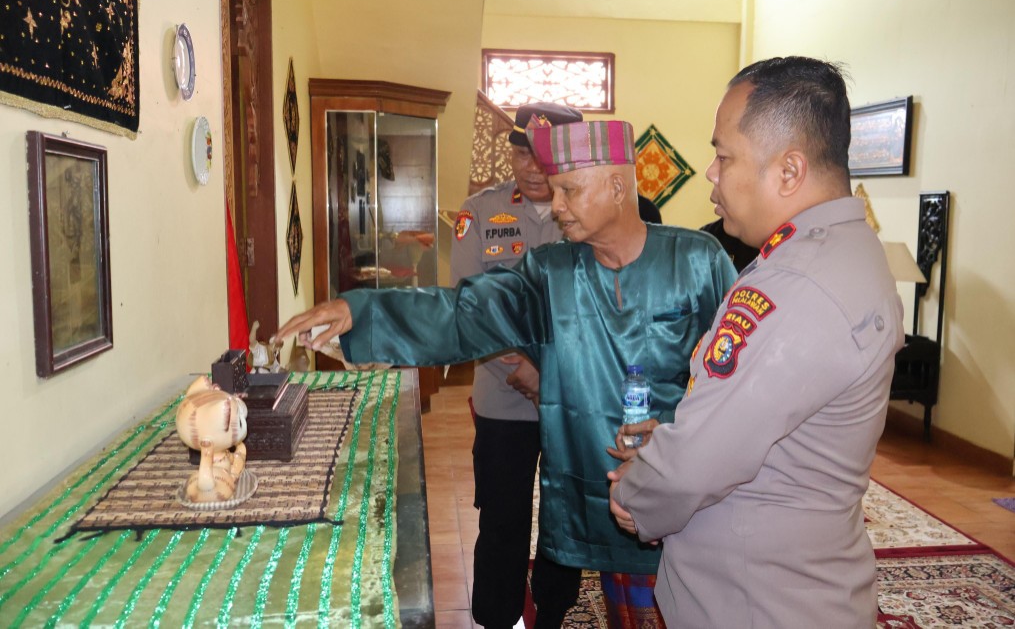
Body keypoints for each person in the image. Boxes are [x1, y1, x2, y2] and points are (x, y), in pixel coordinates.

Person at [275, 118, 737, 628]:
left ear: (617, 186)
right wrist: (363, 313)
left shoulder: (699, 261)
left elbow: (735, 380)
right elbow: (465, 311)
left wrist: (679, 441)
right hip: (590, 486)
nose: (555, 205)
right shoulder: (551, 271)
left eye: (568, 190)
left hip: (675, 492)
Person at [608, 56, 905, 628]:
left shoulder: (796, 283)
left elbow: (693, 467)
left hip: (756, 601)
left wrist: (637, 494)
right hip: (799, 583)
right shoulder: (846, 248)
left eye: (724, 155)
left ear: (789, 171)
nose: (711, 175)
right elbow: (767, 421)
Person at [450, 102, 583, 629]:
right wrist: (525, 368)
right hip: (504, 397)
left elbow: (595, 309)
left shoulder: (588, 214)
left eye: (544, 156)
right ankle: (495, 617)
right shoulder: (479, 212)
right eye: (521, 151)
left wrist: (549, 373)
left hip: (569, 396)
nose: (530, 166)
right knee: (502, 520)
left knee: (562, 515)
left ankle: (552, 614)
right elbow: (470, 304)